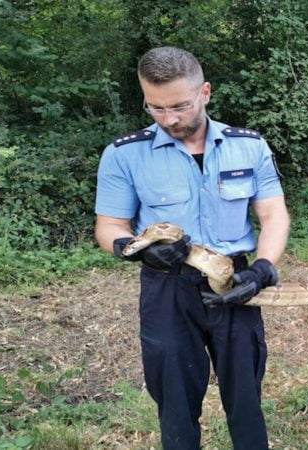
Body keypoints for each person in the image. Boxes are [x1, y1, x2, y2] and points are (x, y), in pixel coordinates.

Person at [94, 46, 290, 449]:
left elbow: (274, 215)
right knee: (175, 399)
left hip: (235, 281)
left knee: (246, 394)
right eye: (156, 108)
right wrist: (134, 249)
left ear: (205, 92)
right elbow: (110, 226)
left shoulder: (249, 146)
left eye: (180, 106)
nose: (170, 119)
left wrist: (263, 268)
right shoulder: (123, 154)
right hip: (167, 287)